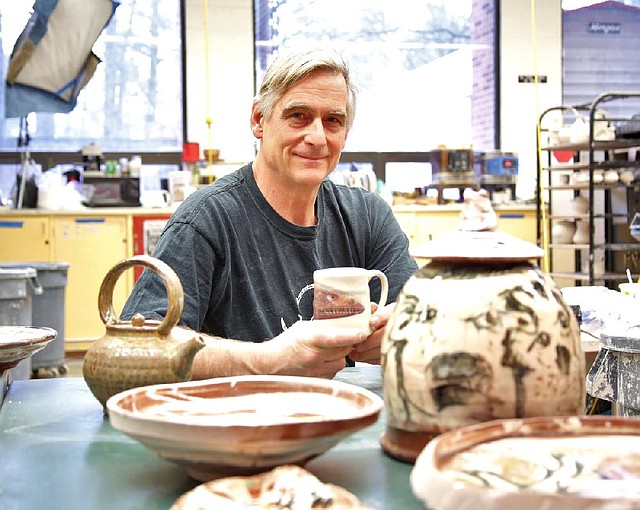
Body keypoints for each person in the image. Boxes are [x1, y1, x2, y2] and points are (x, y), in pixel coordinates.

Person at [121, 46, 418, 380]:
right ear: (259, 120)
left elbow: (429, 322)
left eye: (333, 121)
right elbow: (137, 349)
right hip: (242, 424)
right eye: (298, 116)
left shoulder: (367, 216)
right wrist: (269, 360)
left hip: (345, 418)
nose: (317, 137)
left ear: (345, 133)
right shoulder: (207, 219)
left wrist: (403, 334)